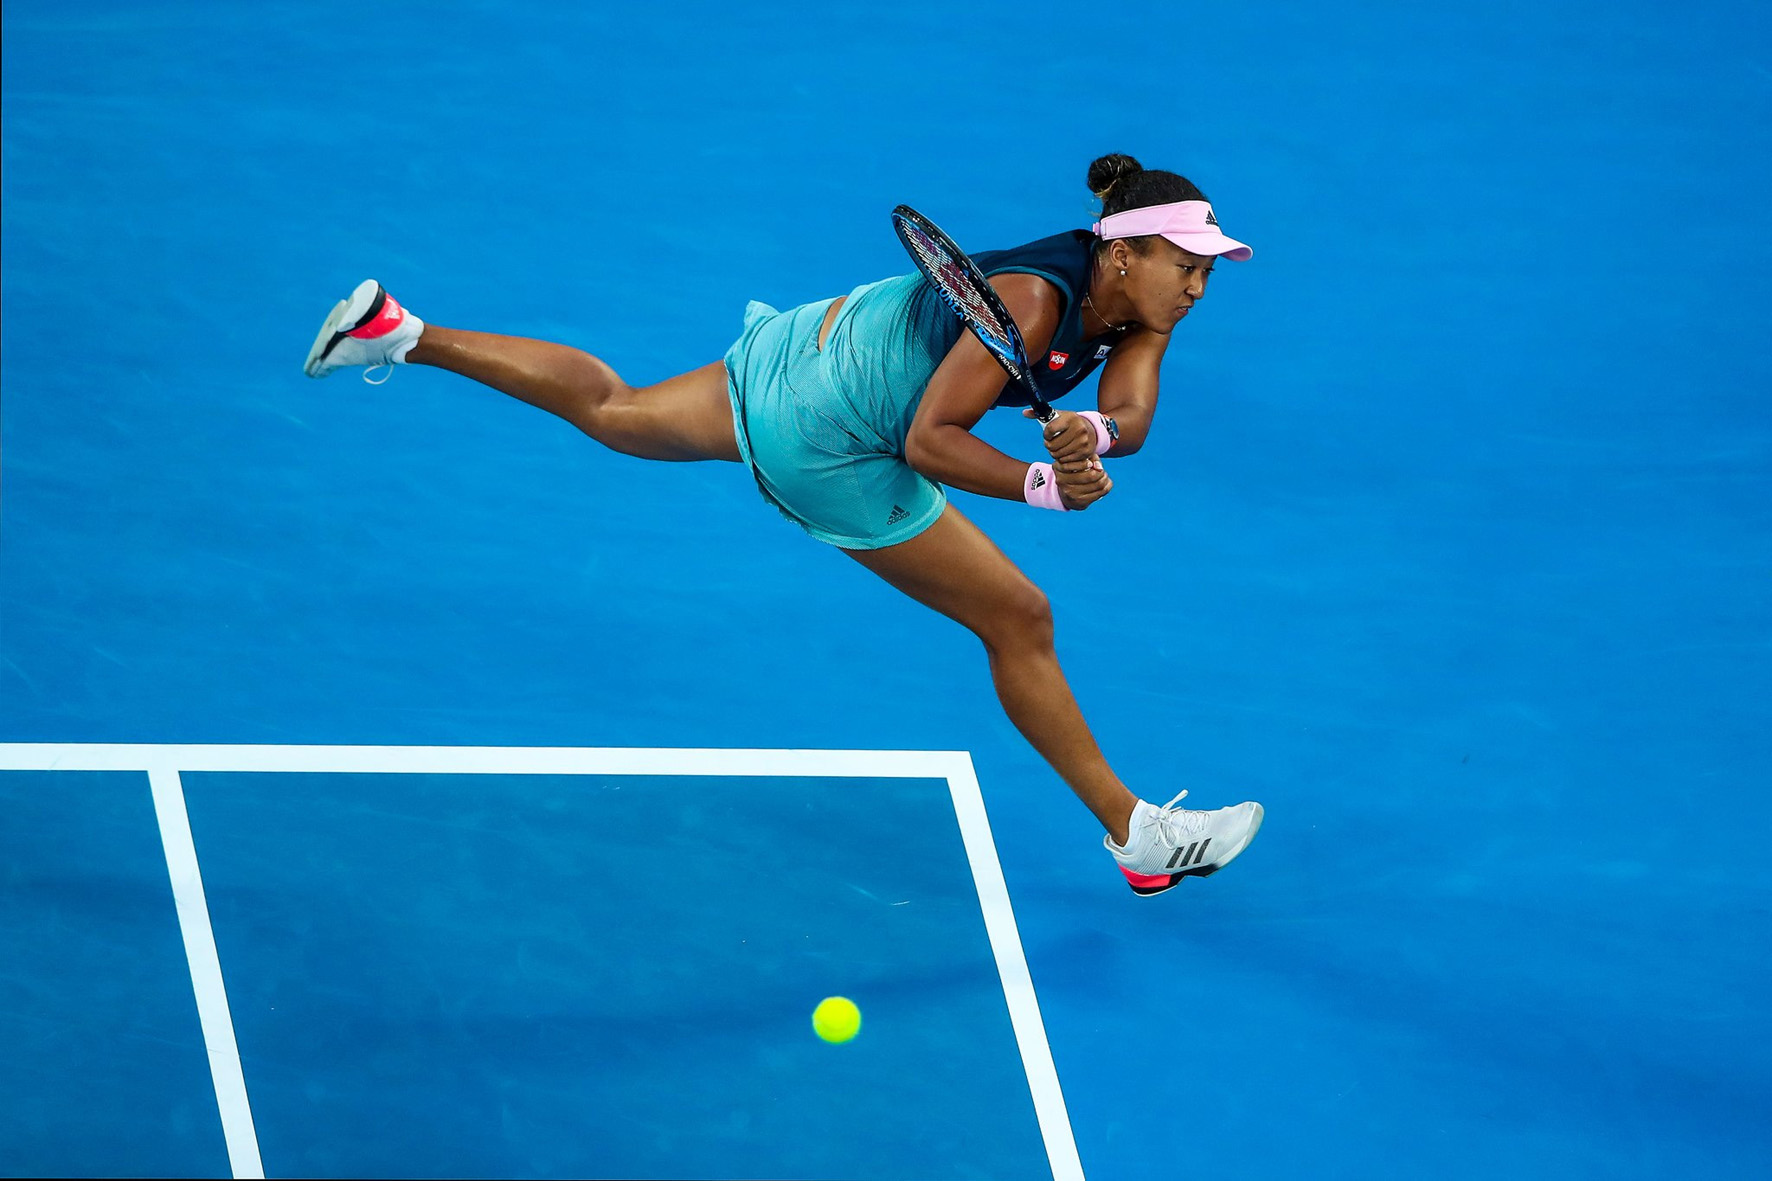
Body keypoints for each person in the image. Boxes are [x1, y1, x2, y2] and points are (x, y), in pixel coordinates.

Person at [303, 152, 1263, 896]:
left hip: (818, 346)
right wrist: (1043, 484)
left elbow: (1130, 416)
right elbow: (930, 440)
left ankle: (400, 332)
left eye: (1207, 273)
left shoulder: (1142, 307)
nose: (1197, 288)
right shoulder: (1032, 300)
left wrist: (1090, 433)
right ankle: (1139, 835)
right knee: (1018, 617)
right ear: (1124, 253)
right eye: (1186, 267)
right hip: (833, 431)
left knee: (619, 411)